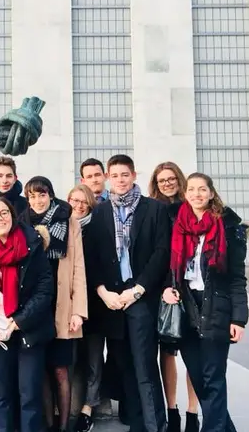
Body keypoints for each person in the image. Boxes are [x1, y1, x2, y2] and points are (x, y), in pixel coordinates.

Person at [86, 154, 170, 432]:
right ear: (108, 178)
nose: (120, 180)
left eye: (125, 175)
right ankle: (136, 422)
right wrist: (102, 292)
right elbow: (93, 258)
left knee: (145, 366)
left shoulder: (154, 209)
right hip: (112, 299)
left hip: (140, 296)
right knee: (123, 364)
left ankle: (154, 425)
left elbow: (160, 254)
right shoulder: (99, 212)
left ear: (134, 175)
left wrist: (138, 289)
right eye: (115, 175)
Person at [162, 173, 248, 432]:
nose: (196, 194)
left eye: (202, 189)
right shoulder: (177, 223)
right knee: (199, 377)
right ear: (185, 193)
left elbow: (237, 278)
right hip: (186, 306)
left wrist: (239, 318)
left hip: (216, 307)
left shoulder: (229, 228)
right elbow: (171, 268)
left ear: (211, 193)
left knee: (213, 378)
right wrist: (167, 288)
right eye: (191, 189)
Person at [0, 197, 54, 432]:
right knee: (2, 394)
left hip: (28, 328)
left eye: (4, 213)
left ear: (13, 216)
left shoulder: (30, 242)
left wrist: (19, 321)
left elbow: (45, 288)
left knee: (30, 394)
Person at [20, 177, 87, 432]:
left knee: (61, 370)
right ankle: (47, 425)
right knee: (42, 370)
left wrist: (78, 311)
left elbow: (79, 267)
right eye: (32, 196)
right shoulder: (22, 223)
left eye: (42, 194)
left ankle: (63, 426)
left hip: (62, 306)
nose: (38, 200)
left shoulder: (67, 219)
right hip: (35, 306)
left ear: (50, 194)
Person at [148, 162, 199, 432]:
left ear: (179, 180)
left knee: (192, 352)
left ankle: (193, 411)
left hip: (190, 287)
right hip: (165, 287)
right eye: (161, 180)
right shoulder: (153, 210)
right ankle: (172, 410)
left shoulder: (190, 209)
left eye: (170, 179)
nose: (167, 184)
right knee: (167, 351)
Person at [66, 185, 104, 432]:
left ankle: (88, 408)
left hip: (94, 304)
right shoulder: (62, 227)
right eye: (74, 200)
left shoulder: (98, 230)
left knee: (93, 359)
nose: (79, 206)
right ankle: (67, 408)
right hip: (68, 307)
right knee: (69, 360)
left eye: (84, 202)